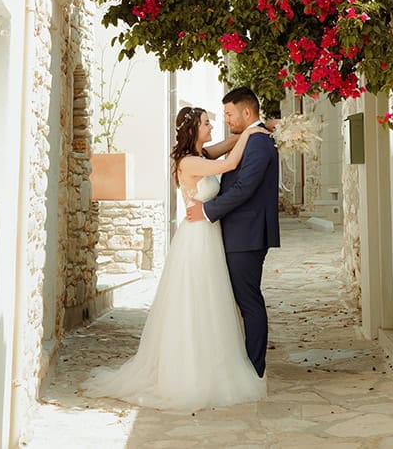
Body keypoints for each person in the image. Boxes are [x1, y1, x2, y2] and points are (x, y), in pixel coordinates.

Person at [80, 105, 269, 411]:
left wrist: (253, 129)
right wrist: (251, 131)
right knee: (197, 299)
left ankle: (209, 360)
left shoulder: (200, 155)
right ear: (194, 130)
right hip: (197, 238)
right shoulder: (191, 162)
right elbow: (232, 161)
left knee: (211, 300)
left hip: (206, 234)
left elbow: (225, 146)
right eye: (207, 123)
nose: (212, 127)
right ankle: (192, 370)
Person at [186, 86, 280, 379]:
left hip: (247, 234)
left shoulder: (260, 144)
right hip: (234, 233)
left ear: (247, 112)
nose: (225, 120)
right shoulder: (251, 139)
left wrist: (206, 211)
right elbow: (224, 156)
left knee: (248, 301)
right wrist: (251, 132)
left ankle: (254, 369)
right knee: (235, 301)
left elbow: (244, 188)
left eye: (229, 113)